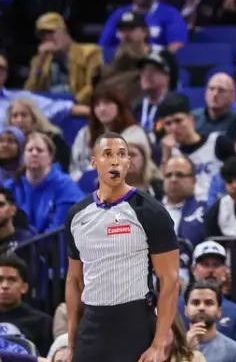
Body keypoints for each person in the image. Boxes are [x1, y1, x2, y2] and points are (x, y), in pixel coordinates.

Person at [64, 132, 180, 362]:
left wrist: (158, 344)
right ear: (94, 161)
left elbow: (170, 280)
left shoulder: (150, 211)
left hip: (134, 322)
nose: (115, 160)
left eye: (122, 154)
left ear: (128, 163)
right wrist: (71, 343)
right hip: (92, 322)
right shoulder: (77, 214)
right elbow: (74, 280)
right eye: (107, 154)